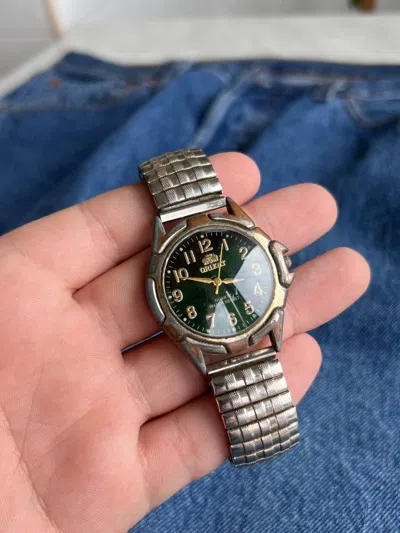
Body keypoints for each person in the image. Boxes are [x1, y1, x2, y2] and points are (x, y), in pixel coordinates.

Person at [0, 152, 370, 533]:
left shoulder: (248, 262)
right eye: (211, 281)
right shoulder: (173, 283)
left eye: (219, 279)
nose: (217, 282)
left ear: (278, 263)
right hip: (212, 338)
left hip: (248, 324)